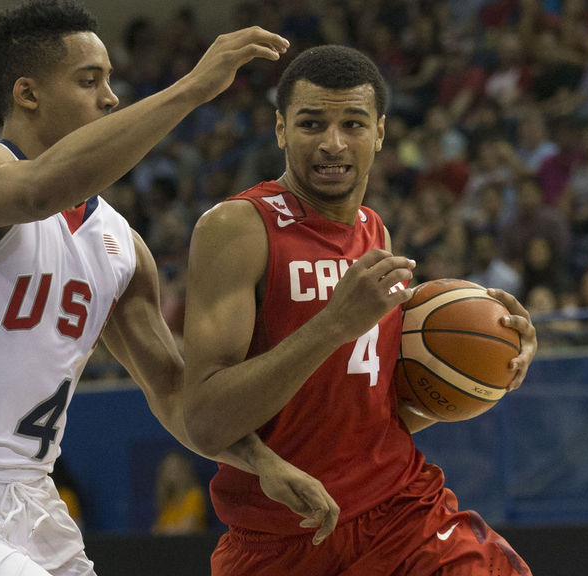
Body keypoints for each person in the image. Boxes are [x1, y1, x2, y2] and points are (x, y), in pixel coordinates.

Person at [0, 2, 339, 575]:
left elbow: (170, 392)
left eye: (110, 81)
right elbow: (40, 190)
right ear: (28, 94)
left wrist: (260, 461)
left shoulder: (121, 246)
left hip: (33, 499)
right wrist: (191, 88)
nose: (110, 97)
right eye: (90, 81)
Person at [183, 45, 538, 576]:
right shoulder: (237, 228)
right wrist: (332, 325)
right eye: (311, 123)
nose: (332, 143)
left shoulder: (376, 233)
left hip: (402, 513)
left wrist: (491, 369)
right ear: (280, 129)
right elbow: (207, 422)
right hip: (281, 539)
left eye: (353, 123)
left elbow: (377, 414)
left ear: (380, 133)